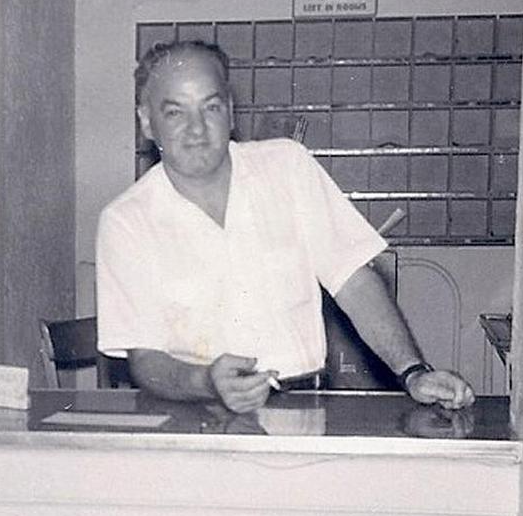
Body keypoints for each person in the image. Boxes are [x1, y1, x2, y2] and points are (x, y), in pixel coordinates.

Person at [95, 40, 474, 414]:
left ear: (230, 111)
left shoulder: (288, 167)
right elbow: (144, 358)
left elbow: (354, 279)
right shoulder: (126, 221)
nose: (197, 129)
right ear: (147, 121)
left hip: (304, 409)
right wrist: (207, 382)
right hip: (193, 418)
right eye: (175, 112)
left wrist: (412, 372)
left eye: (210, 107)